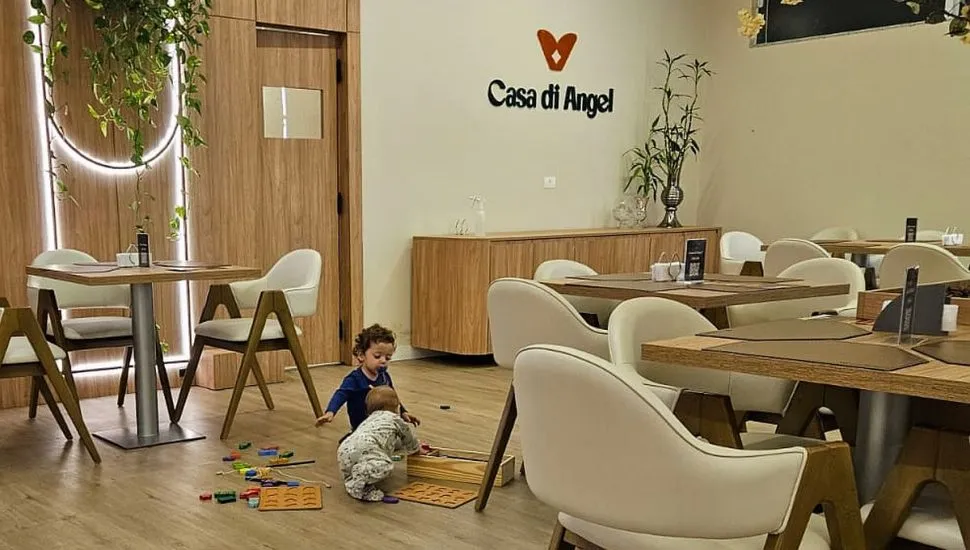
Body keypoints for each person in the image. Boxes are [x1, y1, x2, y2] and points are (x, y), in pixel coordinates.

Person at [316, 324, 420, 434]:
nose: (383, 361)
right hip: (361, 428)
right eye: (377, 356)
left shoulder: (385, 377)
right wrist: (331, 411)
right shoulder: (354, 379)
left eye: (388, 358)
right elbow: (341, 394)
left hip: (383, 425)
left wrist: (403, 412)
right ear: (361, 355)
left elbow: (392, 398)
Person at [337, 386, 425, 502]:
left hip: (345, 448)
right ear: (397, 408)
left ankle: (352, 475)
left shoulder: (370, 419)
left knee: (361, 458)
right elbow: (407, 435)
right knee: (385, 465)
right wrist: (416, 449)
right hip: (365, 448)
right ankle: (358, 485)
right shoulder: (394, 418)